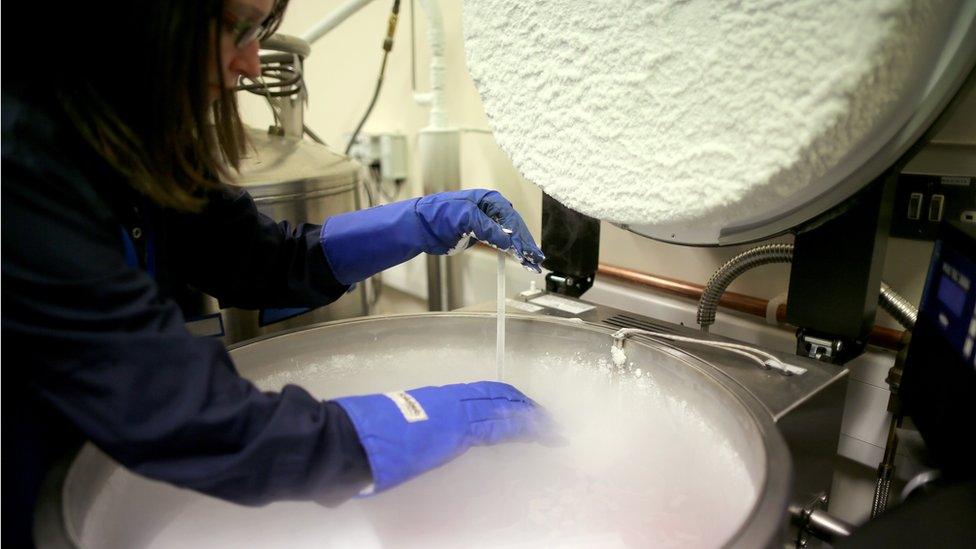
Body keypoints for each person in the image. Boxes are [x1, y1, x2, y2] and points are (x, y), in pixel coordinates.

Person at [1, 0, 551, 545]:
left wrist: (421, 221)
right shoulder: (21, 163)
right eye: (234, 26)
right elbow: (192, 419)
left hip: (109, 468)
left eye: (259, 29)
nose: (250, 63)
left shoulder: (135, 141)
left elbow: (263, 261)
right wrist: (416, 419)